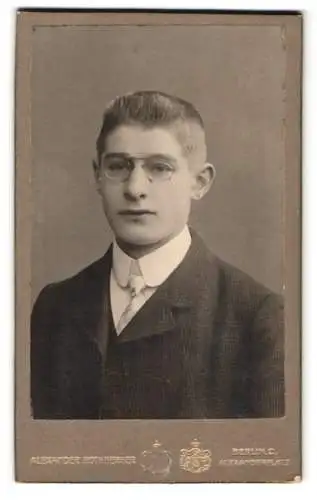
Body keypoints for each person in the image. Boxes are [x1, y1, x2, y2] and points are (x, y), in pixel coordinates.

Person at [31, 90, 285, 419]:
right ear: (97, 175)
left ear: (200, 182)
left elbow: (265, 463)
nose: (135, 188)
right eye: (118, 166)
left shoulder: (257, 317)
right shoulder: (55, 306)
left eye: (160, 168)